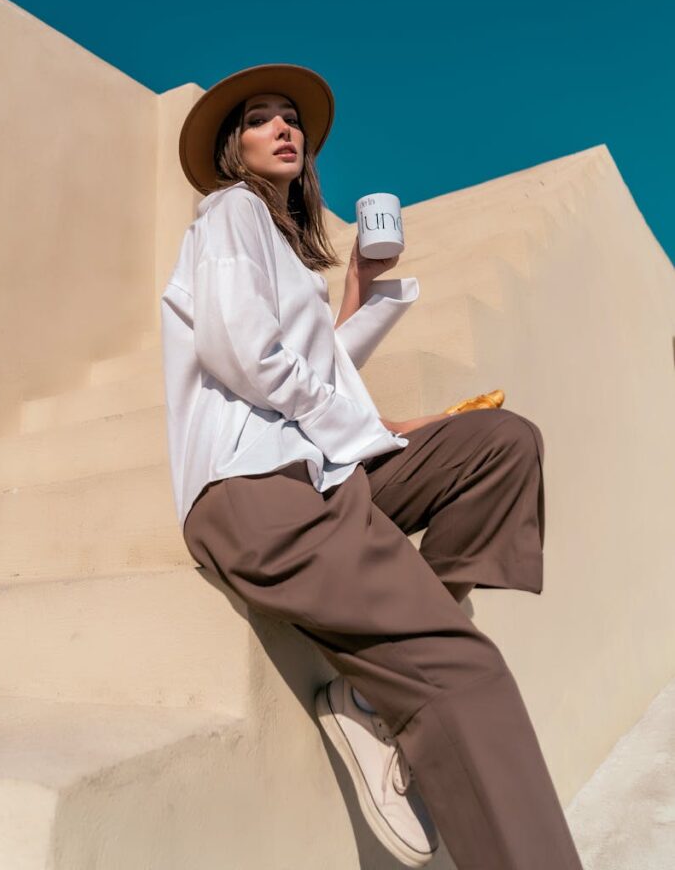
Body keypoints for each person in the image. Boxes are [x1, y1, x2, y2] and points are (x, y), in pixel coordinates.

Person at [160, 63, 585, 869]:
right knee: (465, 672)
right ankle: (414, 681)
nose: (284, 128)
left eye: (293, 119)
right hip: (257, 494)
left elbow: (316, 373)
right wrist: (366, 428)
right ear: (231, 147)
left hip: (320, 477)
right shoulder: (228, 213)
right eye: (261, 118)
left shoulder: (283, 256)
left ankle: (373, 686)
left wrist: (358, 290)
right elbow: (244, 356)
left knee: (497, 443)